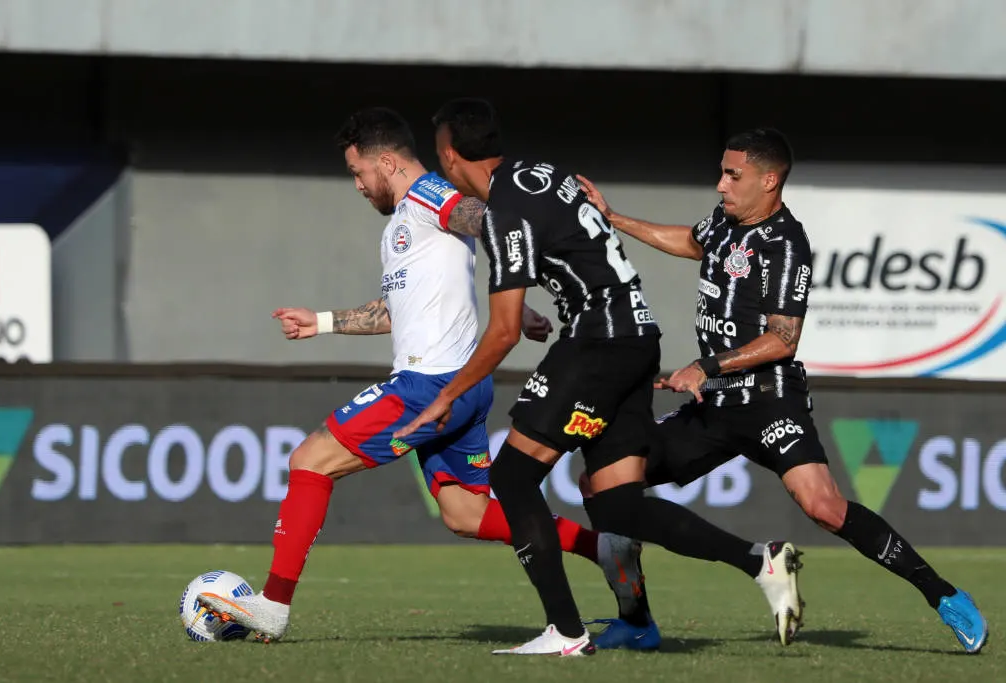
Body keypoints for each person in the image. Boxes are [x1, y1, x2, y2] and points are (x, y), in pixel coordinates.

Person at [196, 107, 646, 642]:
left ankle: (272, 604)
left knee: (309, 462)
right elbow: (394, 312)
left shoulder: (428, 197)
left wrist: (518, 287)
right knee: (465, 513)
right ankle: (602, 548)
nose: (359, 185)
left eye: (358, 173)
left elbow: (487, 219)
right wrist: (318, 322)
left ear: (387, 162)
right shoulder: (402, 230)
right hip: (463, 386)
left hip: (430, 383)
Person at [395, 99, 805, 656]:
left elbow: (503, 331)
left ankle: (565, 632)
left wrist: (446, 396)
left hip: (597, 343)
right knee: (616, 506)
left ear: (448, 155)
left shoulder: (505, 210)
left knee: (513, 478)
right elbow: (571, 254)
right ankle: (759, 561)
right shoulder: (544, 174)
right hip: (637, 339)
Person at [575, 127, 989, 654]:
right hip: (713, 407)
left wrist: (706, 365)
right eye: (722, 172)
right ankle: (635, 620)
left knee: (824, 507)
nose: (721, 184)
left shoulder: (787, 243)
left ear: (769, 181)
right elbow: (689, 241)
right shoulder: (724, 223)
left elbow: (782, 339)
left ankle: (945, 596)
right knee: (601, 486)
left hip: (770, 402)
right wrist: (615, 220)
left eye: (733, 174)